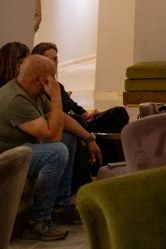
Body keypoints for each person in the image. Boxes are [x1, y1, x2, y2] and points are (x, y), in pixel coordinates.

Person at [0, 54, 102, 241]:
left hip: (23, 149)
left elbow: (60, 118)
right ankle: (38, 221)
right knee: (56, 151)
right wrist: (55, 95)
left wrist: (89, 139)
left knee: (69, 138)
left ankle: (60, 207)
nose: (55, 81)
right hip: (8, 157)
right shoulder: (16, 99)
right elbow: (53, 136)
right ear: (40, 80)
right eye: (52, 76)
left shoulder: (33, 93)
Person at [31, 42, 129, 187]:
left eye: (55, 59)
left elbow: (77, 109)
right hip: (70, 125)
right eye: (49, 60)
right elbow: (57, 116)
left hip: (81, 122)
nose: (54, 63)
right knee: (76, 128)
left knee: (118, 113)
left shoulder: (58, 86)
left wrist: (91, 116)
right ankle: (100, 166)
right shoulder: (41, 88)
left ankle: (112, 167)